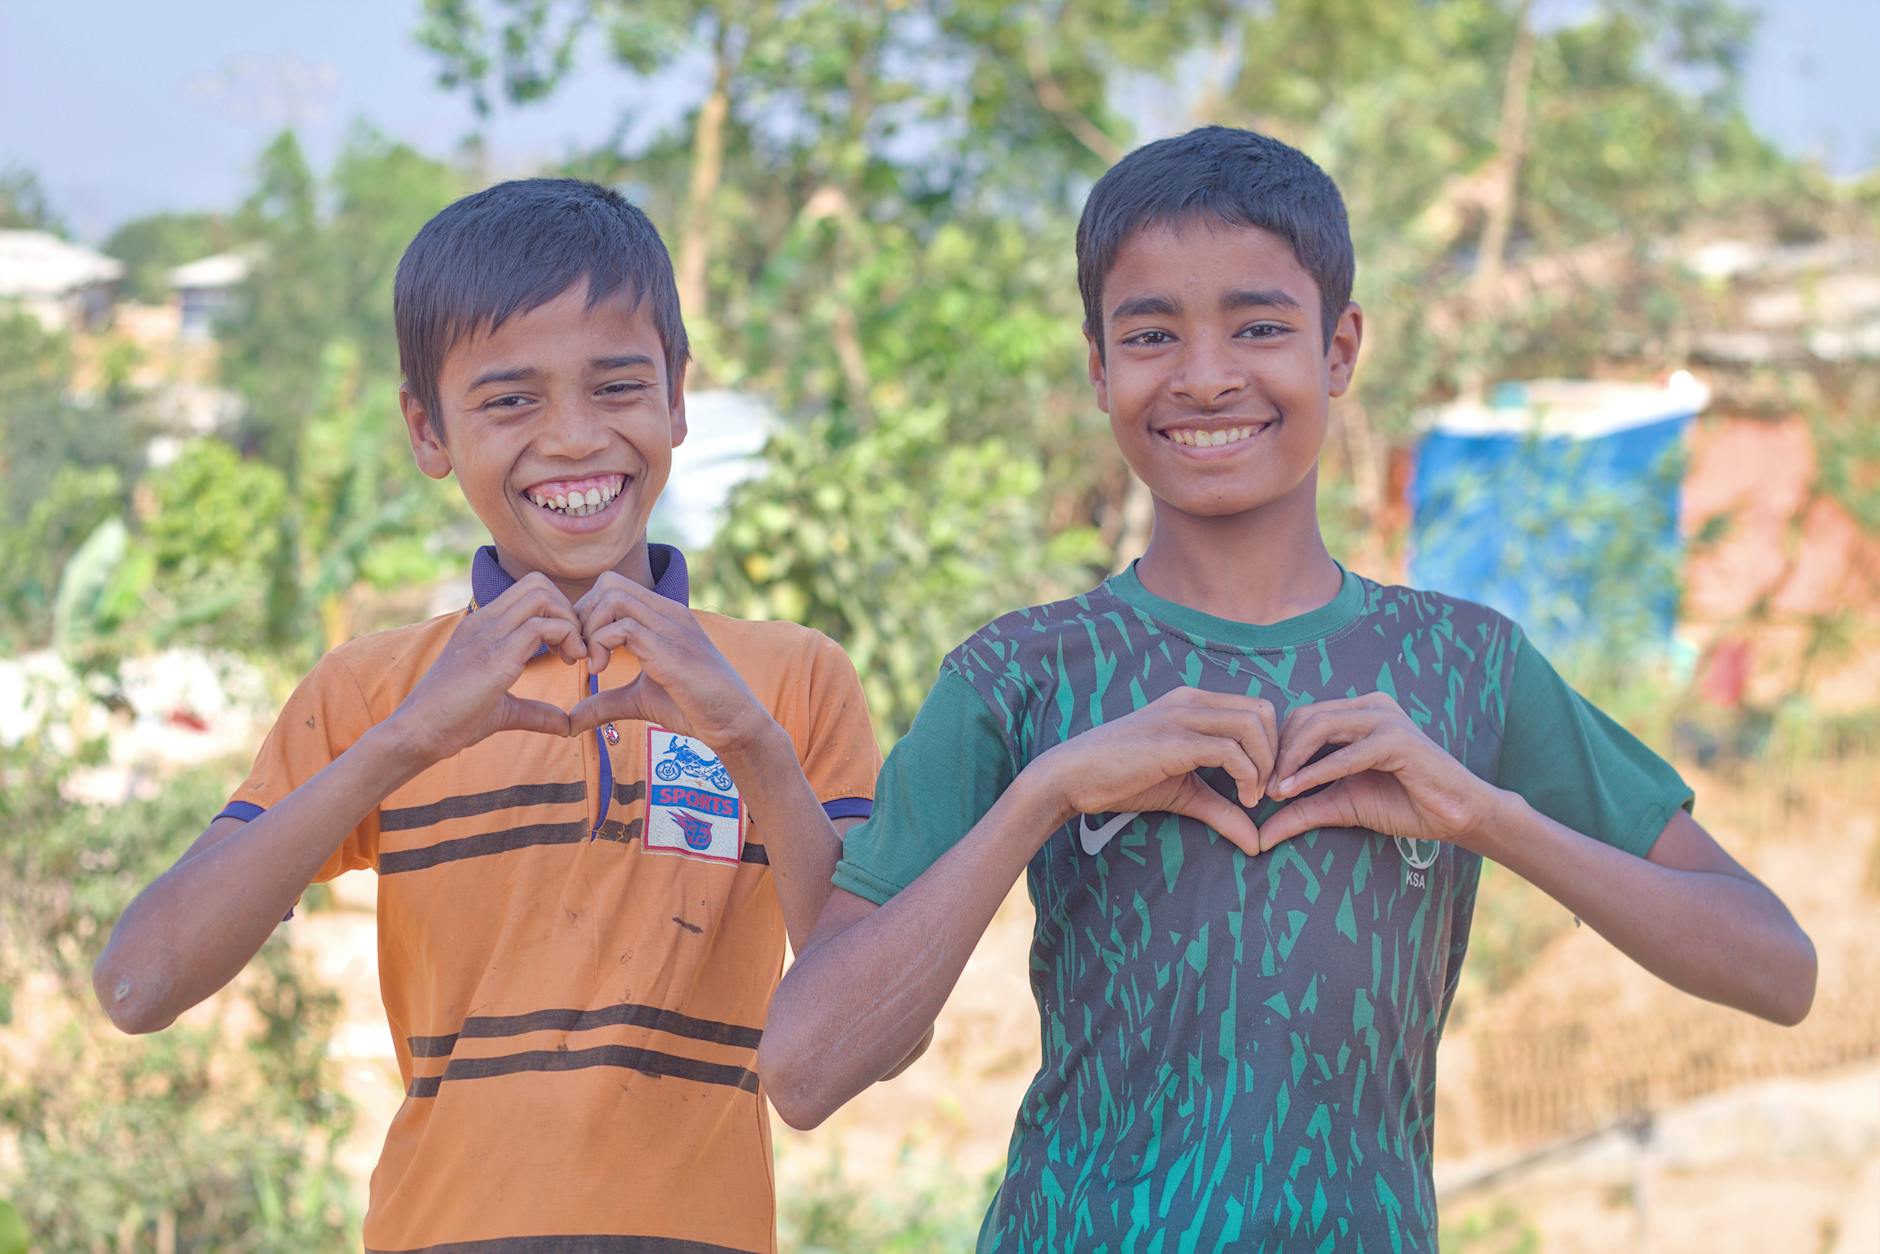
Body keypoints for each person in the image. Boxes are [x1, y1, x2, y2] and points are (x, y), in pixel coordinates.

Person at [758, 126, 1816, 1252]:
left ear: (1338, 349)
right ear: (1097, 368)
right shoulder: (1017, 676)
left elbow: (1773, 967)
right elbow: (807, 1068)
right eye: (1151, 333)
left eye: (1258, 326)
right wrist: (1047, 794)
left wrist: (1484, 816)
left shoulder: (1464, 667)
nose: (1206, 374)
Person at [92, 179, 881, 1253]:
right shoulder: (372, 692)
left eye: (616, 386)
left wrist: (746, 741)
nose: (571, 438)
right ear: (428, 430)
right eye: (510, 401)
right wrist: (406, 740)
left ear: (677, 399)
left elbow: (864, 1030)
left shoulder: (788, 684)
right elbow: (140, 984)